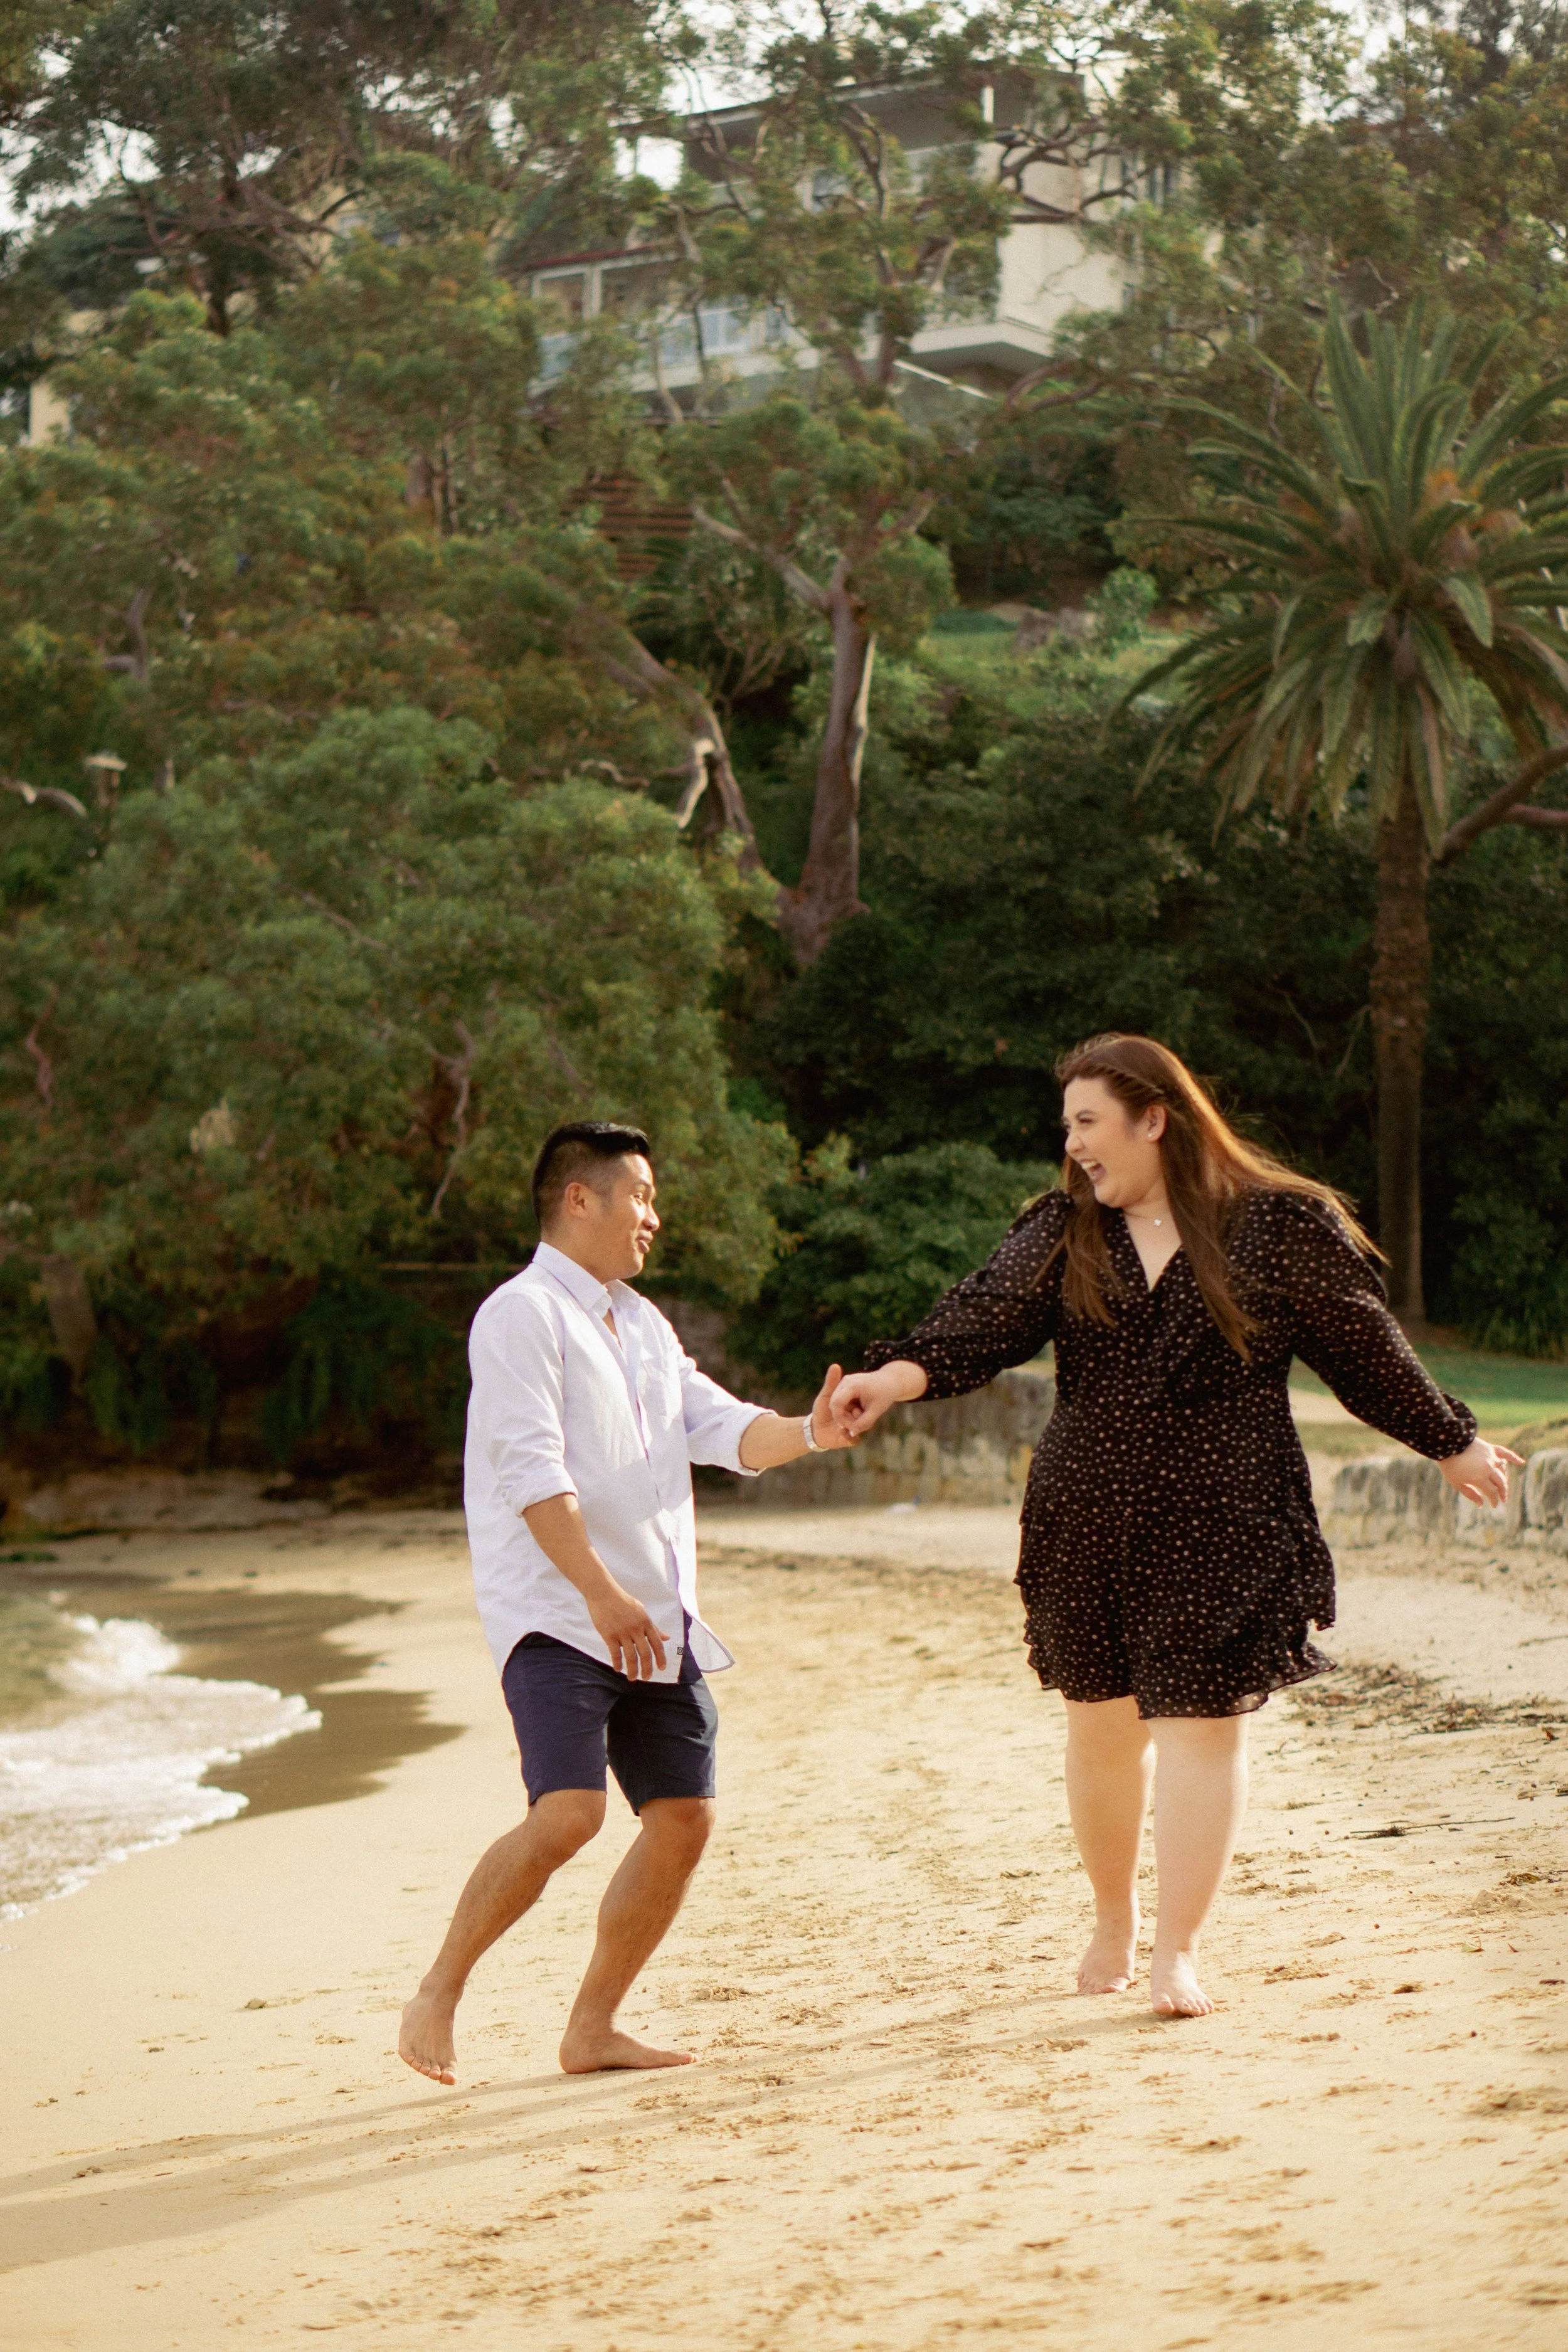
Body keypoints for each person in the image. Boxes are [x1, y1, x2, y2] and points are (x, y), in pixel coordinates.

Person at [829, 1035, 1518, 2020]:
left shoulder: (1279, 1226)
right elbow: (982, 1320)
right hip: (1086, 1518)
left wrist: (1451, 1441)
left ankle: (1178, 1951)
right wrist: (891, 1379)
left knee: (1201, 1731)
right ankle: (1115, 1916)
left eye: (1088, 1123)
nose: (1073, 1147)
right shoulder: (1062, 1228)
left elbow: (1361, 1342)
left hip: (1227, 1517)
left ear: (1155, 1117)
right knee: (1105, 1733)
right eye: (1067, 1127)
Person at [399, 1119, 856, 2084]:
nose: (653, 1214)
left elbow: (721, 1427)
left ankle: (592, 2027)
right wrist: (599, 1594)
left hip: (654, 1616)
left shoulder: (640, 1322)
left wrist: (811, 1430)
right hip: (560, 1613)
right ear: (580, 1198)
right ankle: (441, 1982)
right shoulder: (521, 1314)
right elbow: (532, 1473)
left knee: (684, 1817)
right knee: (568, 1814)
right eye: (639, 1194)